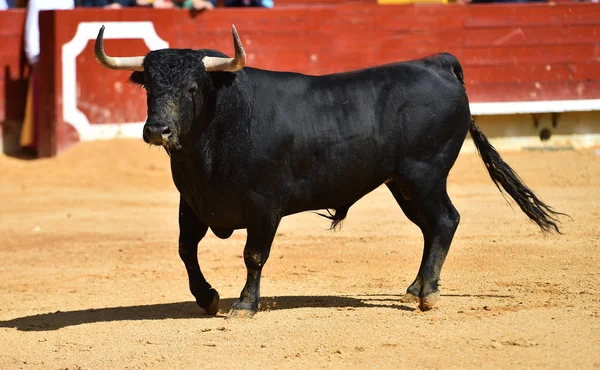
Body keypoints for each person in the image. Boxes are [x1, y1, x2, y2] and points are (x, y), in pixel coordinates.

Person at [21, 0, 75, 150]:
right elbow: (31, 32)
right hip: (42, 60)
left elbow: (70, 26)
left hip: (63, 58)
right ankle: (39, 143)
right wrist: (35, 59)